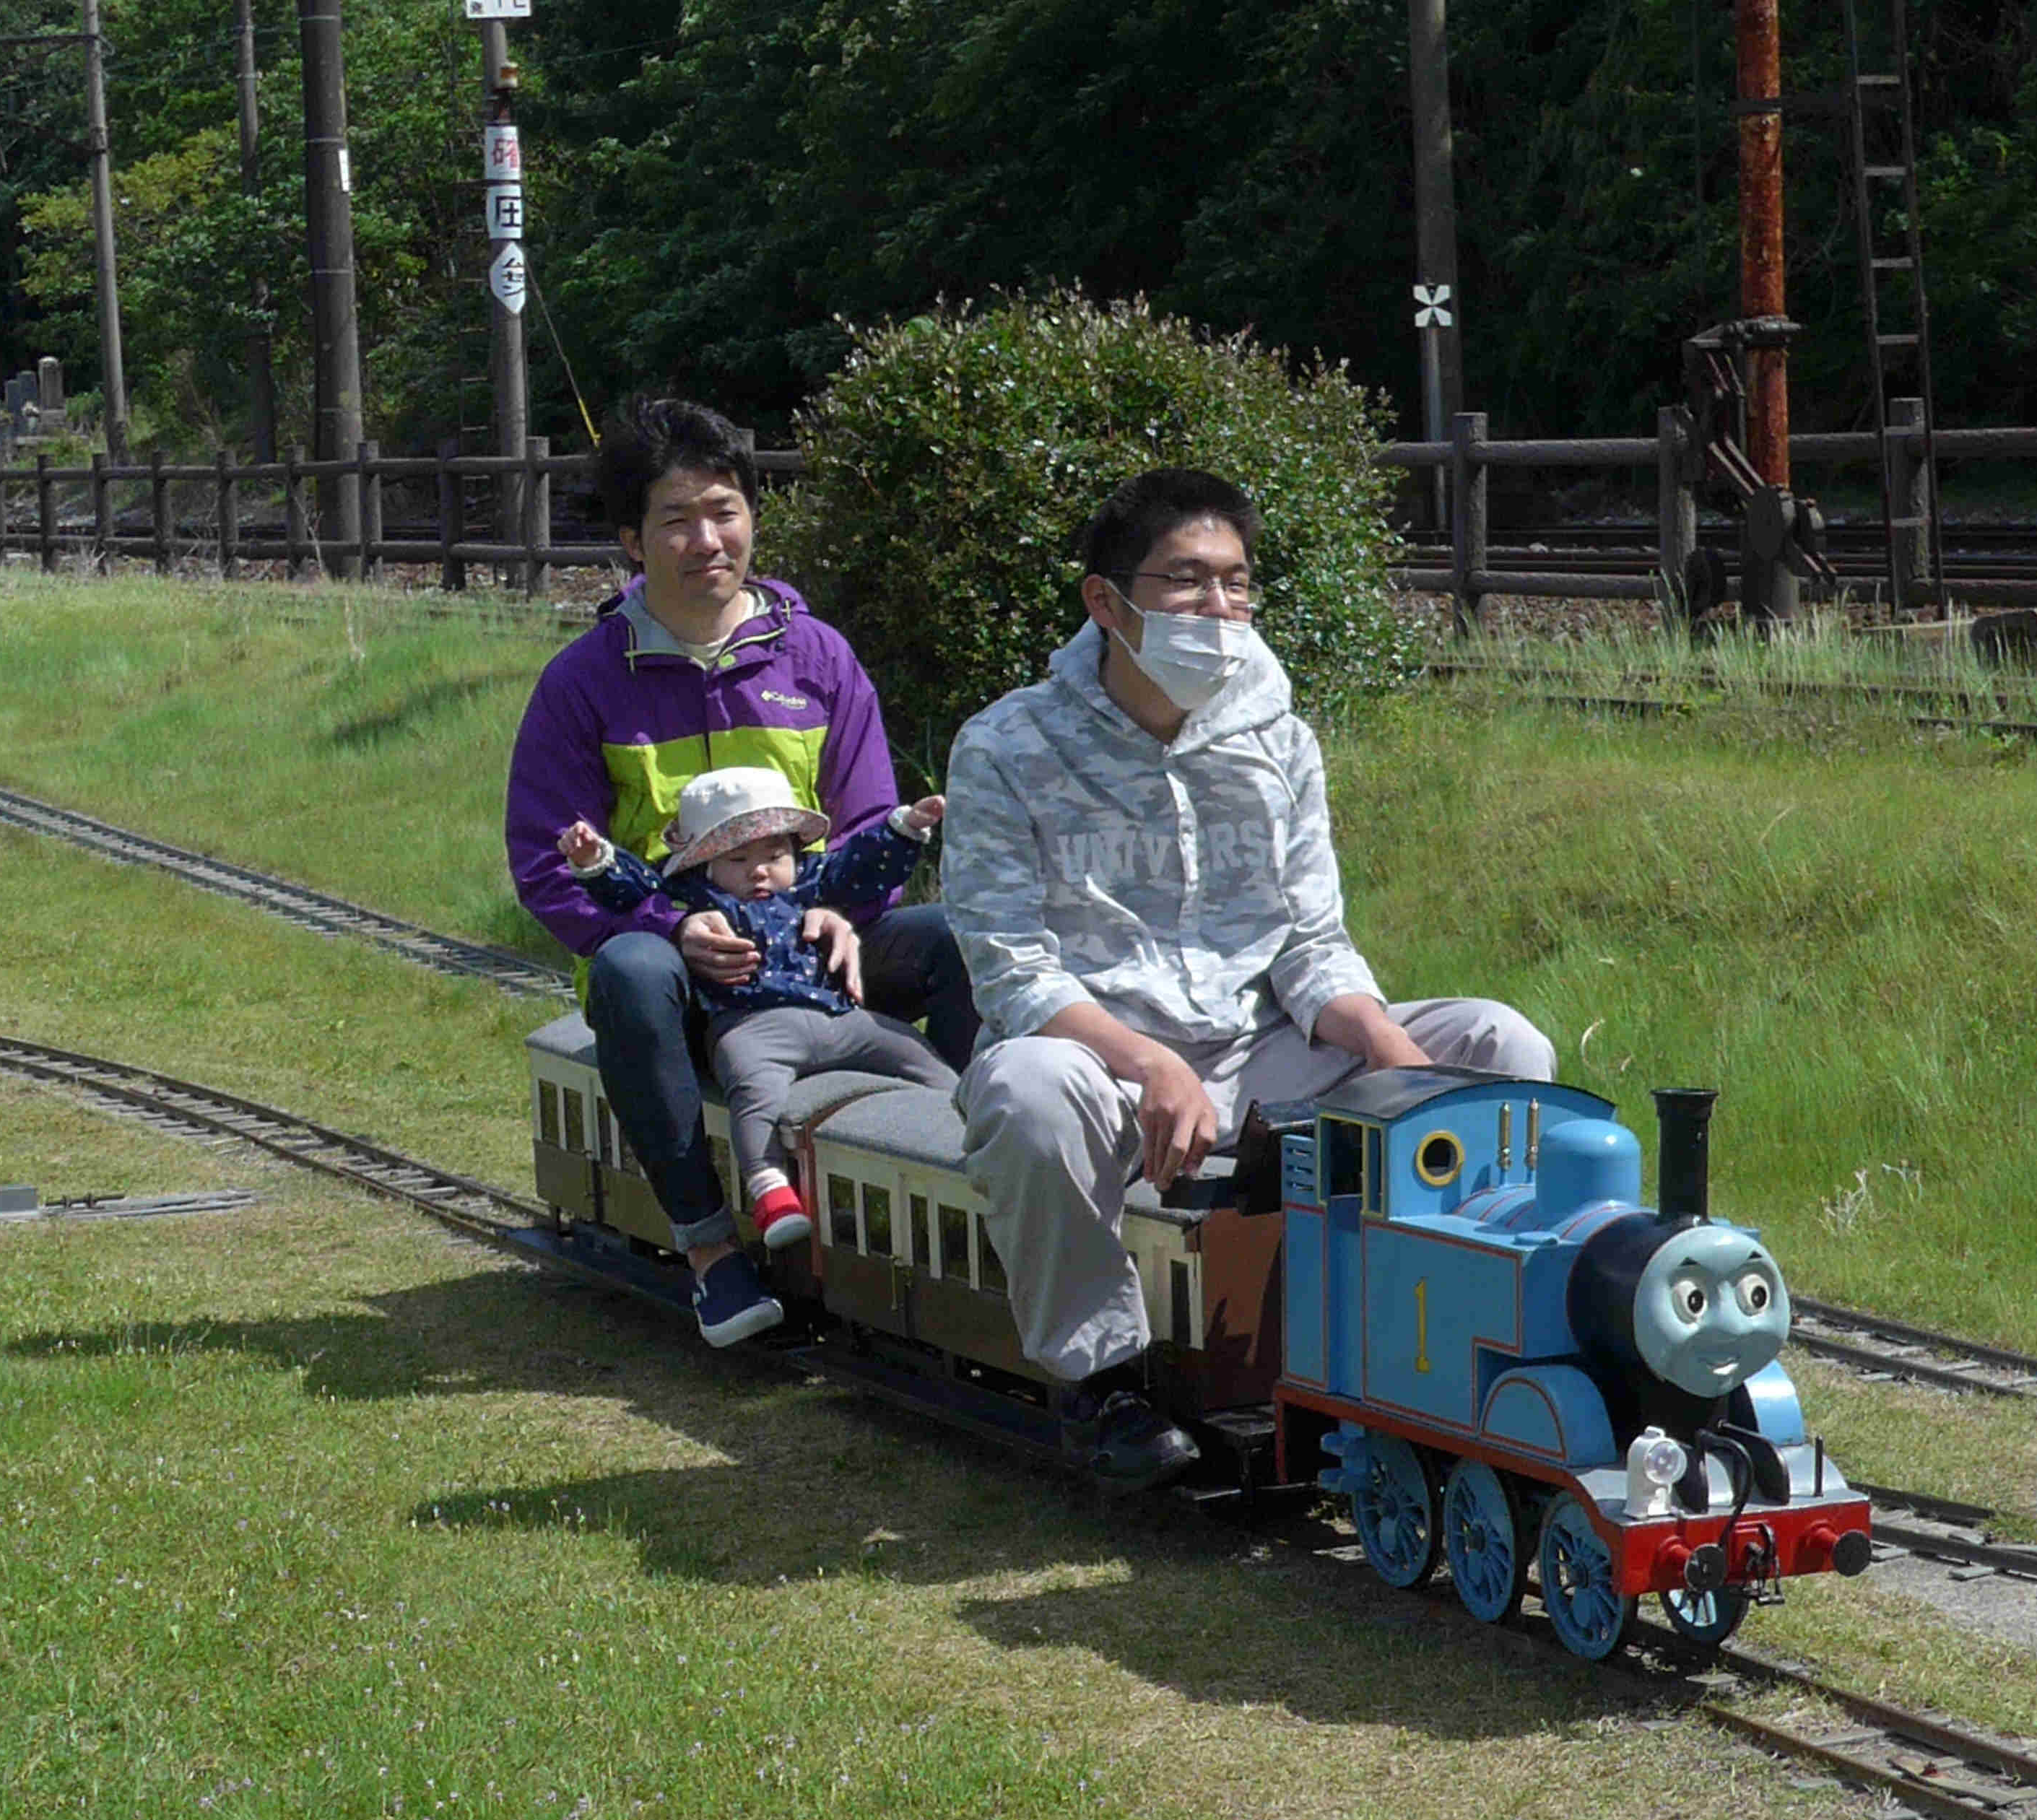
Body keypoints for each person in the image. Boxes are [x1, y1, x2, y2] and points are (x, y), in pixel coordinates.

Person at [943, 466, 1558, 1486]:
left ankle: (1471, 1334)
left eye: (1236, 582)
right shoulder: (1007, 747)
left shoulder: (1278, 739)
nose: (1219, 608)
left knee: (1499, 1042)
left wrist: (1394, 1055)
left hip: (1265, 1055)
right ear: (1107, 601)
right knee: (1022, 1088)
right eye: (1186, 582)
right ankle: (1105, 1387)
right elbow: (1011, 971)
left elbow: (1311, 941)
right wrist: (1149, 1063)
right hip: (1101, 1068)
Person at [505, 396, 976, 1346]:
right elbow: (546, 864)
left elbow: (869, 824)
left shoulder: (819, 658)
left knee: (965, 933)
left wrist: (843, 911)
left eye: (723, 510)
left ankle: (976, 1185)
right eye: (674, 520)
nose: (705, 539)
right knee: (633, 976)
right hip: (680, 969)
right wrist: (672, 928)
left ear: (754, 516)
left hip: (813, 942)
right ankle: (712, 1253)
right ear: (634, 542)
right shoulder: (583, 680)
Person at [560, 769, 958, 1342]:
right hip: (750, 1026)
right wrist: (596, 859)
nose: (760, 871)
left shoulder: (813, 884)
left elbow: (861, 865)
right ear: (705, 868)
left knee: (920, 1057)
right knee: (754, 1092)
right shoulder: (697, 901)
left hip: (841, 1018)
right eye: (738, 860)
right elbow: (634, 888)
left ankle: (966, 1133)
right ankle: (768, 1185)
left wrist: (904, 827)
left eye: (774, 853)